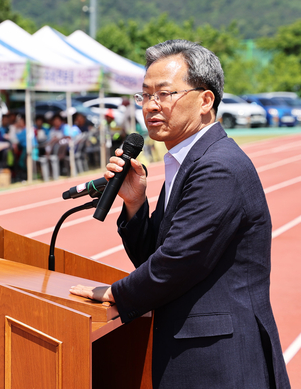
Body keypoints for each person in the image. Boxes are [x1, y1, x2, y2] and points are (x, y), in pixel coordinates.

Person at [69, 40, 290, 389]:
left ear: (205, 100)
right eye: (145, 95)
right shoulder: (188, 161)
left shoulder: (218, 166)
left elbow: (178, 260)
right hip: (198, 357)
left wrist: (116, 293)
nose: (151, 106)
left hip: (221, 363)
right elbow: (154, 257)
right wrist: (135, 204)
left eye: (165, 94)